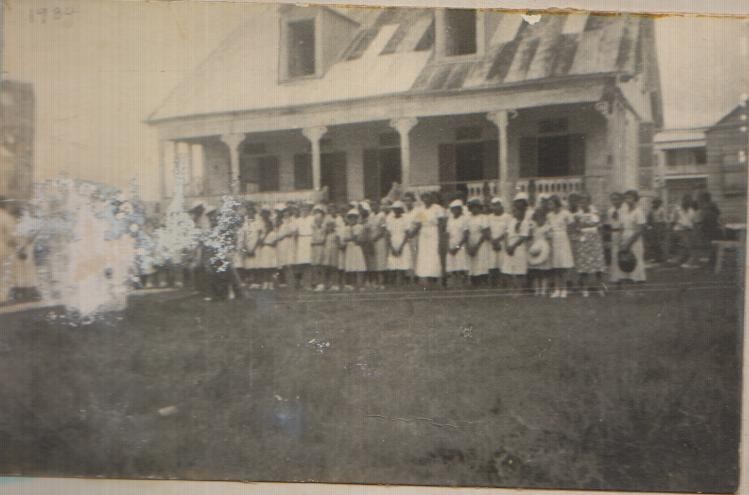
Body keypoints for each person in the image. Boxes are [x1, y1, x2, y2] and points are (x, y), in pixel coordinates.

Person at [573, 192, 607, 297]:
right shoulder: (578, 215)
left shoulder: (595, 213)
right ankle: (585, 288)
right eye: (581, 202)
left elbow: (599, 226)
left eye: (585, 201)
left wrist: (592, 227)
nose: (583, 204)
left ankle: (600, 287)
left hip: (594, 240)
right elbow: (577, 227)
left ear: (589, 202)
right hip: (583, 241)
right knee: (584, 265)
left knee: (597, 265)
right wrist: (581, 229)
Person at [412, 192, 446, 287]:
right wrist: (412, 233)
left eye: (428, 197)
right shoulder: (421, 209)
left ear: (432, 198)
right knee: (424, 255)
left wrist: (440, 236)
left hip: (434, 232)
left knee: (433, 254)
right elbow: (419, 224)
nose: (426, 199)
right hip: (423, 234)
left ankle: (434, 276)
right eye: (424, 198)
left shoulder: (437, 208)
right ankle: (426, 277)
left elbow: (441, 223)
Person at [502, 193, 532, 293]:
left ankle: (519, 289)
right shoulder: (511, 221)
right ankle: (512, 289)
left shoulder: (525, 221)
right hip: (509, 247)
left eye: (518, 210)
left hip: (518, 247)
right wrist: (507, 246)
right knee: (508, 270)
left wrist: (513, 247)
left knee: (519, 270)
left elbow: (523, 236)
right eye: (514, 210)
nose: (515, 212)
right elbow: (506, 233)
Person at [547, 195, 575, 298]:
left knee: (564, 265)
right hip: (554, 240)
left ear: (556, 203)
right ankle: (557, 289)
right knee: (556, 266)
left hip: (563, 239)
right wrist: (550, 236)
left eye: (551, 203)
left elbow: (572, 226)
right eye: (549, 204)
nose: (549, 206)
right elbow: (549, 228)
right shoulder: (549, 215)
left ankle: (564, 289)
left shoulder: (566, 213)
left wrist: (569, 236)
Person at [619, 190, 647, 283]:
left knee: (636, 256)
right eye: (626, 198)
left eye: (630, 198)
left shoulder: (639, 211)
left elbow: (640, 229)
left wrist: (629, 242)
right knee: (626, 257)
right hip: (625, 235)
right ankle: (628, 277)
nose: (627, 200)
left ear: (635, 199)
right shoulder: (624, 211)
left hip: (635, 237)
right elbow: (622, 226)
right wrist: (622, 239)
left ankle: (638, 278)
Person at [528, 198, 553, 296]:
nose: (539, 218)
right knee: (535, 272)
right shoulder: (533, 227)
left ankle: (543, 289)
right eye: (538, 216)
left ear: (544, 217)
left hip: (544, 251)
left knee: (544, 272)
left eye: (541, 216)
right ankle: (537, 290)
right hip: (535, 250)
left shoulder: (547, 227)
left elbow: (550, 239)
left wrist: (548, 248)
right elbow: (530, 238)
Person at [385, 201, 412, 287]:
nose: (396, 211)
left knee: (402, 264)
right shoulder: (389, 219)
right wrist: (392, 247)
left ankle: (401, 283)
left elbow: (407, 234)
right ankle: (393, 284)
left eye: (398, 209)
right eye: (394, 209)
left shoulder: (406, 218)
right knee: (393, 264)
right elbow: (388, 234)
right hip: (393, 242)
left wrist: (401, 247)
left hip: (403, 242)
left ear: (401, 209)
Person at [465, 197, 491, 286]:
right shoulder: (468, 218)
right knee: (472, 265)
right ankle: (474, 283)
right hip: (471, 242)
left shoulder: (484, 217)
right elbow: (466, 232)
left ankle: (483, 283)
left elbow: (485, 233)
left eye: (475, 207)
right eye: (471, 207)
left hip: (481, 243)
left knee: (481, 263)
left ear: (479, 207)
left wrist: (476, 246)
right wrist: (468, 246)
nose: (473, 209)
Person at [444, 199, 469, 289]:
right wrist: (448, 247)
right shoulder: (450, 220)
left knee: (461, 266)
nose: (454, 211)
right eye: (453, 209)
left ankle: (462, 285)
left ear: (460, 209)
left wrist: (457, 247)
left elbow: (466, 235)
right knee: (452, 266)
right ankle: (453, 285)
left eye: (456, 209)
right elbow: (447, 234)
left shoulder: (464, 219)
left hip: (460, 246)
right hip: (451, 246)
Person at [487, 197, 510, 287]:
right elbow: (487, 229)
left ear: (501, 205)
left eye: (497, 205)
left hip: (503, 242)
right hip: (492, 243)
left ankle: (503, 283)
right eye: (493, 205)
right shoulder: (489, 217)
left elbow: (508, 231)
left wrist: (498, 240)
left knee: (503, 262)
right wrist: (493, 241)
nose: (495, 207)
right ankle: (493, 283)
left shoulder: (507, 217)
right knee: (492, 263)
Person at [341, 209, 367, 290]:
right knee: (351, 266)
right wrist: (350, 238)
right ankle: (352, 284)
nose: (352, 219)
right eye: (350, 218)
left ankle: (360, 285)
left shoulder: (360, 227)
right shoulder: (346, 228)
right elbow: (345, 239)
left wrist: (351, 238)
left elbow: (357, 238)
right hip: (349, 248)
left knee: (359, 266)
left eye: (354, 217)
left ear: (356, 218)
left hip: (357, 247)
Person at [670, 194, 697, 268]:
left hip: (689, 231)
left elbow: (694, 223)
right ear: (683, 201)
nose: (688, 203)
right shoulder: (677, 209)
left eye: (689, 201)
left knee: (690, 238)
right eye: (686, 201)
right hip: (678, 230)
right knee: (685, 238)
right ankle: (689, 259)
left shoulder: (692, 211)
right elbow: (673, 221)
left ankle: (683, 258)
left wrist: (693, 232)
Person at [255, 205, 278, 290]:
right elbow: (259, 237)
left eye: (266, 213)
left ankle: (271, 283)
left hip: (271, 247)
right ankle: (265, 282)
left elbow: (275, 236)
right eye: (263, 213)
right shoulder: (260, 223)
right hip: (264, 247)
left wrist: (273, 242)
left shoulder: (273, 223)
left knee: (271, 266)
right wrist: (262, 241)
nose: (265, 215)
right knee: (265, 266)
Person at [293, 201, 315, 289]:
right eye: (302, 209)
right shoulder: (297, 220)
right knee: (300, 263)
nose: (304, 211)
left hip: (310, 240)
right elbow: (294, 232)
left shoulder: (312, 218)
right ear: (300, 210)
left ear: (309, 210)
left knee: (309, 262)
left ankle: (308, 283)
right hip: (301, 241)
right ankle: (299, 282)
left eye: (306, 209)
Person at [606, 192, 626, 284]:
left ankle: (625, 275)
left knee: (623, 254)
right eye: (613, 200)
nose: (615, 201)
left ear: (621, 200)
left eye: (617, 199)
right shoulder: (610, 211)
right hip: (614, 233)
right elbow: (609, 224)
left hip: (623, 232)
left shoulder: (625, 210)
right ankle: (616, 276)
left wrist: (622, 234)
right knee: (614, 254)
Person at [310, 204, 328, 291]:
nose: (318, 220)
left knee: (320, 265)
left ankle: (322, 283)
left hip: (321, 247)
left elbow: (323, 240)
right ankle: (316, 283)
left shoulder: (324, 228)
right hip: (314, 248)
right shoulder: (313, 227)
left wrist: (315, 242)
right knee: (314, 266)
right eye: (316, 219)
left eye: (320, 218)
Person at [646, 197, 668, 264]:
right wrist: (649, 226)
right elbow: (648, 219)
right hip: (653, 227)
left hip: (660, 226)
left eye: (657, 203)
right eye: (654, 203)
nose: (655, 204)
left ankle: (662, 258)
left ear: (659, 203)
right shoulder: (651, 210)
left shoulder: (662, 210)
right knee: (654, 243)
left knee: (660, 243)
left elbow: (664, 220)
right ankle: (656, 258)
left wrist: (663, 229)